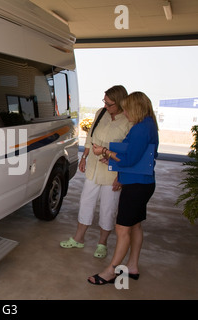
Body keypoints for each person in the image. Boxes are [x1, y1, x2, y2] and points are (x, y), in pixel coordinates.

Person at [88, 91, 159, 285]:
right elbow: (134, 152)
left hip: (136, 185)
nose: (124, 112)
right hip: (144, 183)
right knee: (135, 225)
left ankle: (111, 271)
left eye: (126, 108)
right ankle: (133, 266)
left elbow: (129, 159)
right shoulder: (149, 125)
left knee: (122, 228)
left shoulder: (139, 129)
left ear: (135, 108)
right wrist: (111, 154)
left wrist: (105, 151)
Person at [60, 85, 132, 258]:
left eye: (109, 104)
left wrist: (121, 176)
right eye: (104, 102)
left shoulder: (129, 120)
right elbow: (90, 136)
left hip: (113, 172)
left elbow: (129, 152)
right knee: (86, 202)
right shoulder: (101, 113)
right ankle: (79, 238)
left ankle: (102, 243)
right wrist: (84, 157)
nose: (106, 107)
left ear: (120, 103)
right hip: (94, 167)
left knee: (108, 208)